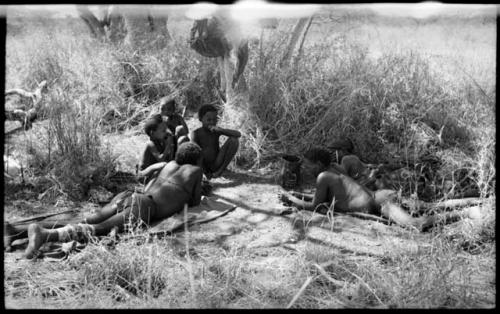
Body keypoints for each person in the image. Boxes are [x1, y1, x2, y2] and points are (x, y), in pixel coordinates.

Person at [23, 142, 204, 259]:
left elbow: (151, 183)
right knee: (99, 229)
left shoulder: (170, 164)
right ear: (196, 160)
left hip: (130, 196)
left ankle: (18, 230)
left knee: (87, 220)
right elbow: (195, 201)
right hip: (145, 206)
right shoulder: (195, 171)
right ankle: (46, 235)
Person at [279, 147, 436, 231]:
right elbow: (324, 197)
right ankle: (459, 208)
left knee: (416, 224)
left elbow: (315, 205)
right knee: (430, 207)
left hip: (381, 203)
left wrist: (292, 200)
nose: (305, 168)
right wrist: (299, 195)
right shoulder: (335, 169)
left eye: (308, 164)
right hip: (380, 196)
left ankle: (460, 213)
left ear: (319, 164)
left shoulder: (323, 177)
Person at [190, 104, 241, 179]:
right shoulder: (196, 133)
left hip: (216, 163)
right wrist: (201, 169)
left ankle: (220, 171)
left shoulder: (216, 131)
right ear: (200, 119)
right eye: (209, 120)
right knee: (195, 151)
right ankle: (203, 174)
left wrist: (221, 130)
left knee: (234, 141)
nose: (212, 122)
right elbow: (194, 152)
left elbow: (238, 134)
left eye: (215, 120)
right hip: (202, 164)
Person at [139, 114, 176, 181]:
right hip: (143, 173)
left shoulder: (160, 141)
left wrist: (171, 146)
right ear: (152, 133)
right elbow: (160, 159)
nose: (165, 132)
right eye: (163, 131)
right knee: (163, 165)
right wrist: (168, 145)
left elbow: (168, 158)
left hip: (154, 170)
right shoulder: (150, 144)